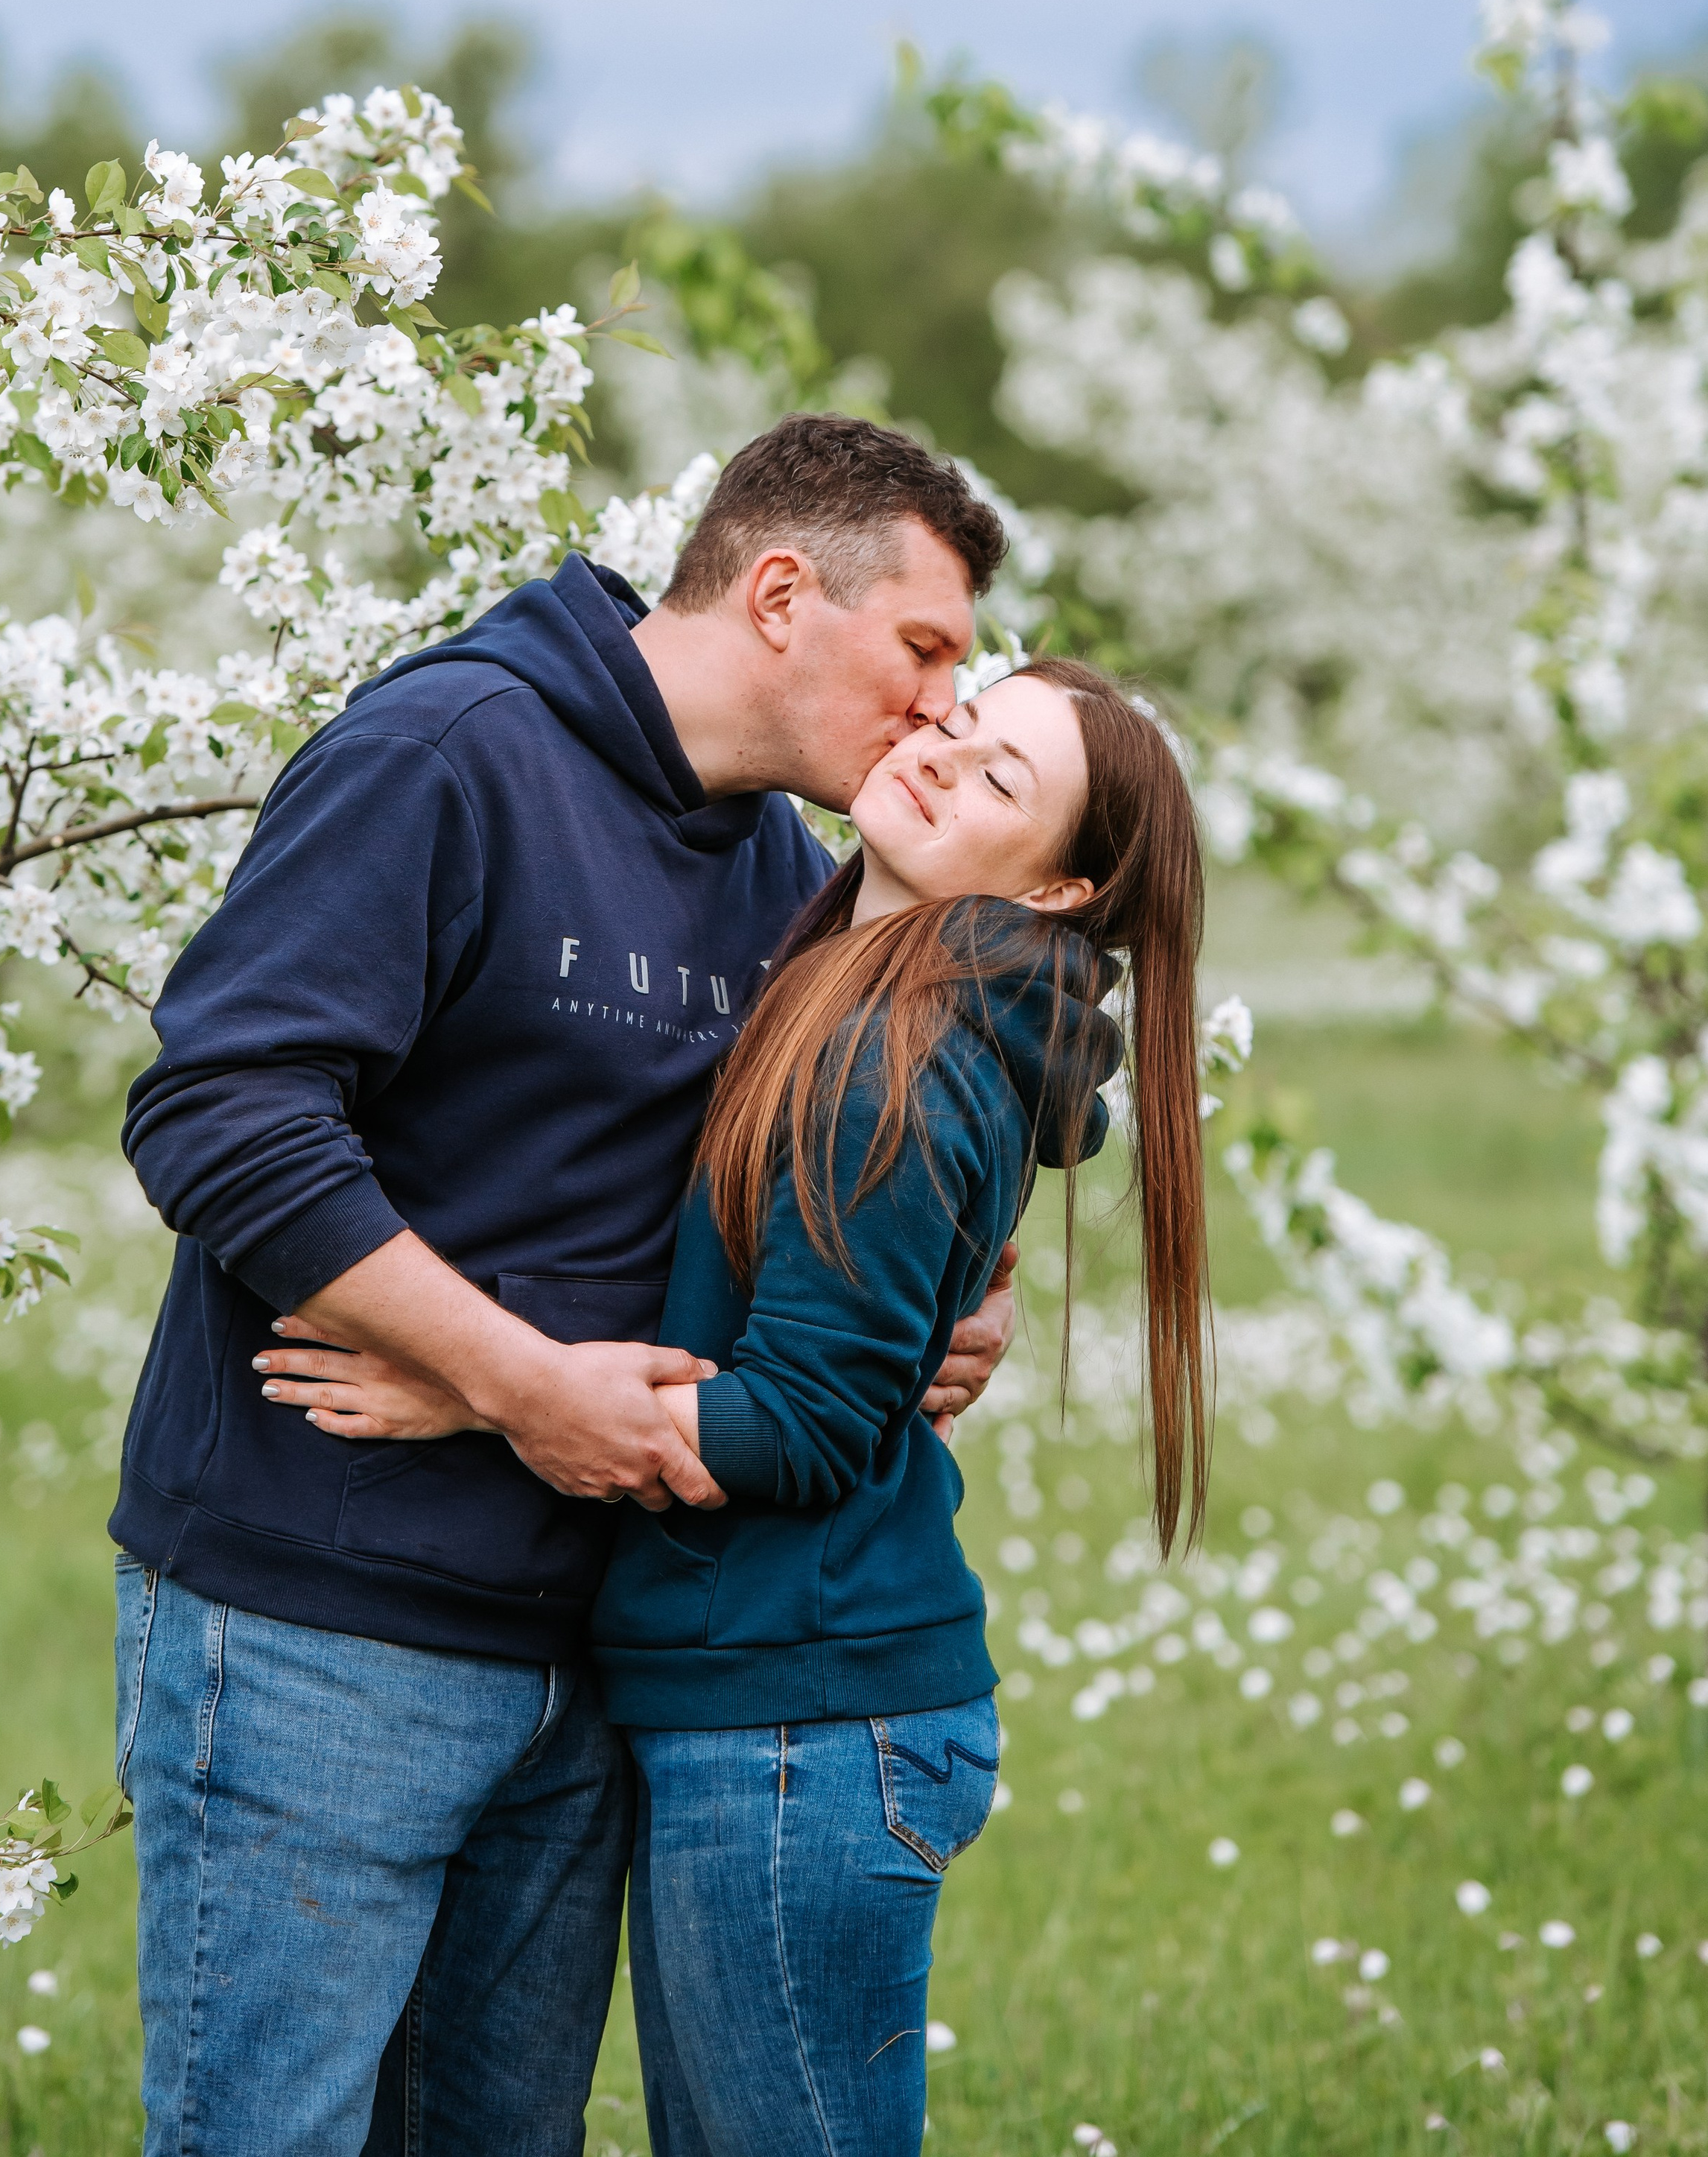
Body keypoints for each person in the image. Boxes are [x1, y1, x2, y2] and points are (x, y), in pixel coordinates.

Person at [110, 414, 1025, 2157]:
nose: (939, 708)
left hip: (595, 1654)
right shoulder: (448, 752)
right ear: (778, 592)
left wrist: (942, 1305)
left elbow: (849, 1164)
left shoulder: (782, 870)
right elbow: (218, 1110)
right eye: (922, 649)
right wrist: (518, 1377)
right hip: (324, 1619)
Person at [271, 654, 1213, 2157]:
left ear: (1056, 888)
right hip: (771, 1701)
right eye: (959, 723)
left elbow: (804, 1425)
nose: (939, 753)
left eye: (998, 781)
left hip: (801, 1716)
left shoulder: (889, 1057)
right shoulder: (856, 982)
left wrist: (481, 1394)